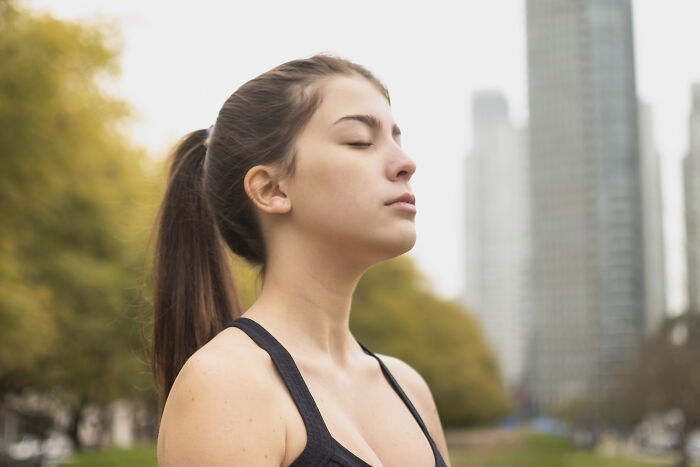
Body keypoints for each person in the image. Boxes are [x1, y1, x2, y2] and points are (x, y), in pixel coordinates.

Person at [151, 53, 451, 466]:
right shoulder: (226, 385)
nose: (405, 163)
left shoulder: (408, 387)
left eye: (397, 139)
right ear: (272, 189)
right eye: (360, 141)